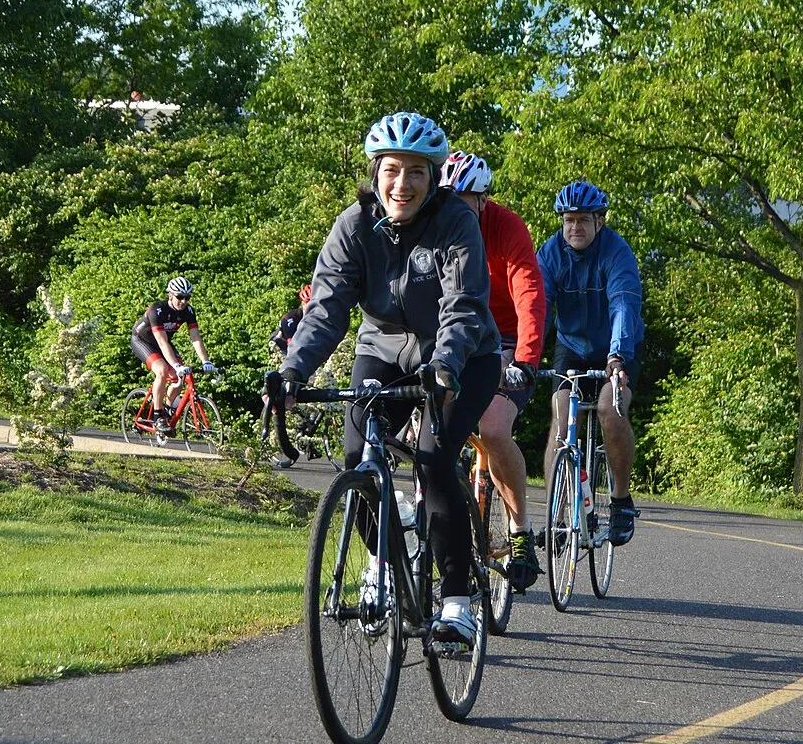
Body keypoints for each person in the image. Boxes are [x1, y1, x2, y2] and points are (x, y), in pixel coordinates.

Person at [268, 111, 503, 645]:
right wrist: (292, 370)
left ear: (434, 176)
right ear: (376, 172)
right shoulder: (353, 225)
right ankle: (383, 561)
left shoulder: (455, 223)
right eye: (392, 169)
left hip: (463, 356)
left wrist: (444, 365)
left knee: (433, 456)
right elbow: (326, 309)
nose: (403, 184)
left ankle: (457, 599)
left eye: (416, 171)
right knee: (357, 455)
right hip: (383, 347)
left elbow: (464, 306)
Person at [441, 150, 549, 590]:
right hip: (453, 339)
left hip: (504, 340)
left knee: (494, 430)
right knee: (424, 429)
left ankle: (520, 532)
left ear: (483, 201)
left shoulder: (506, 227)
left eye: (464, 201)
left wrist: (524, 359)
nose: (454, 211)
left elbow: (529, 294)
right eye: (447, 200)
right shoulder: (433, 226)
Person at [538, 180, 644, 545]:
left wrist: (617, 356)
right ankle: (556, 511)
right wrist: (525, 356)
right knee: (561, 415)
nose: (574, 228)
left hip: (619, 346)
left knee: (609, 411)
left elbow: (623, 305)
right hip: (571, 347)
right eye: (568, 220)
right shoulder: (550, 254)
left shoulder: (617, 253)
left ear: (600, 221)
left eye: (583, 220)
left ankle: (620, 501)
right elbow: (537, 308)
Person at [130, 277, 214, 432]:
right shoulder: (157, 310)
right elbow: (162, 343)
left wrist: (206, 361)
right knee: (162, 370)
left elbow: (195, 337)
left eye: (187, 298)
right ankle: (157, 415)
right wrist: (175, 365)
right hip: (143, 340)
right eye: (179, 297)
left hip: (163, 342)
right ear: (170, 295)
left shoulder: (188, 311)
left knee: (180, 377)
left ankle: (167, 410)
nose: (183, 301)